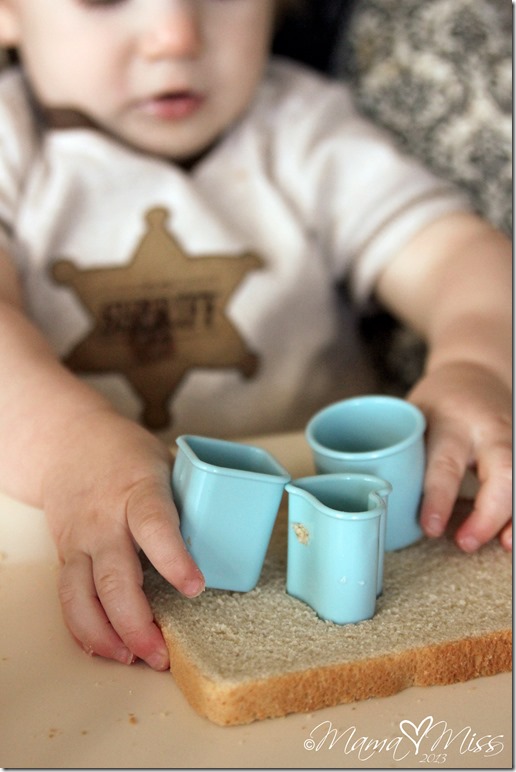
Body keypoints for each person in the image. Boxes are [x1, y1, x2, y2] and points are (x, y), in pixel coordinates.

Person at [0, 0, 511, 672]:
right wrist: (70, 448)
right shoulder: (13, 145)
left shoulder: (303, 129)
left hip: (325, 535)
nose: (174, 35)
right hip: (88, 549)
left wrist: (479, 362)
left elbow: (457, 258)